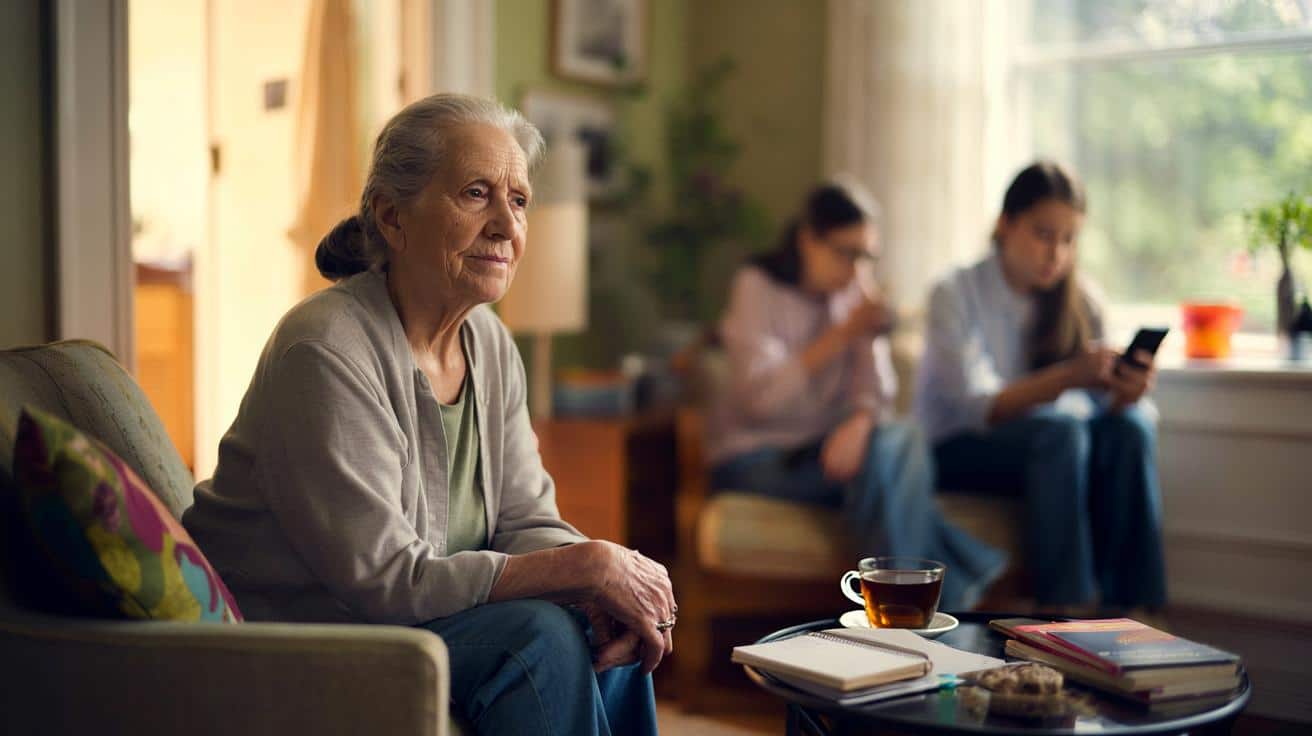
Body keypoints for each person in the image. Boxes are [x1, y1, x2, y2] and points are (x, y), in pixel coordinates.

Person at [182, 94, 671, 735]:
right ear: (392, 215)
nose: (505, 225)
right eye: (476, 193)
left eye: (518, 200)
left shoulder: (490, 342)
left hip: (407, 621)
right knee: (539, 635)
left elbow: (525, 517)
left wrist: (600, 581)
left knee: (604, 615)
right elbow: (385, 579)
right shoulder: (325, 348)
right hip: (293, 637)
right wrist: (585, 566)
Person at [707, 181, 1007, 611]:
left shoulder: (853, 292)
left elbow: (877, 393)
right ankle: (940, 596)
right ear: (807, 239)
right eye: (845, 253)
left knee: (897, 441)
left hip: (827, 454)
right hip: (757, 459)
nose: (855, 268)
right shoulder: (756, 286)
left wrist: (860, 422)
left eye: (866, 256)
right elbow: (761, 401)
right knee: (893, 466)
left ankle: (896, 614)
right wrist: (843, 333)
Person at [915, 161, 1167, 613]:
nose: (1056, 253)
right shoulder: (954, 292)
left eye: (1069, 239)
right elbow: (979, 407)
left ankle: (1133, 612)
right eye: (1043, 234)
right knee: (1060, 430)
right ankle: (1064, 611)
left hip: (1050, 449)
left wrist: (1125, 393)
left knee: (1133, 426)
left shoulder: (1080, 299)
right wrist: (1069, 376)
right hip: (958, 447)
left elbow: (1097, 410)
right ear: (1004, 224)